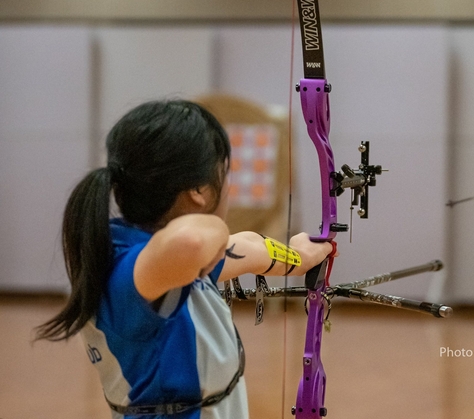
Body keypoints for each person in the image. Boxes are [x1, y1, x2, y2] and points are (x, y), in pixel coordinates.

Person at [34, 100, 334, 418]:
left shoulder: (169, 261)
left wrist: (299, 256)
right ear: (199, 190)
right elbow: (193, 242)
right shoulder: (130, 272)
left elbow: (248, 245)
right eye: (224, 174)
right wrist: (215, 225)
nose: (228, 187)